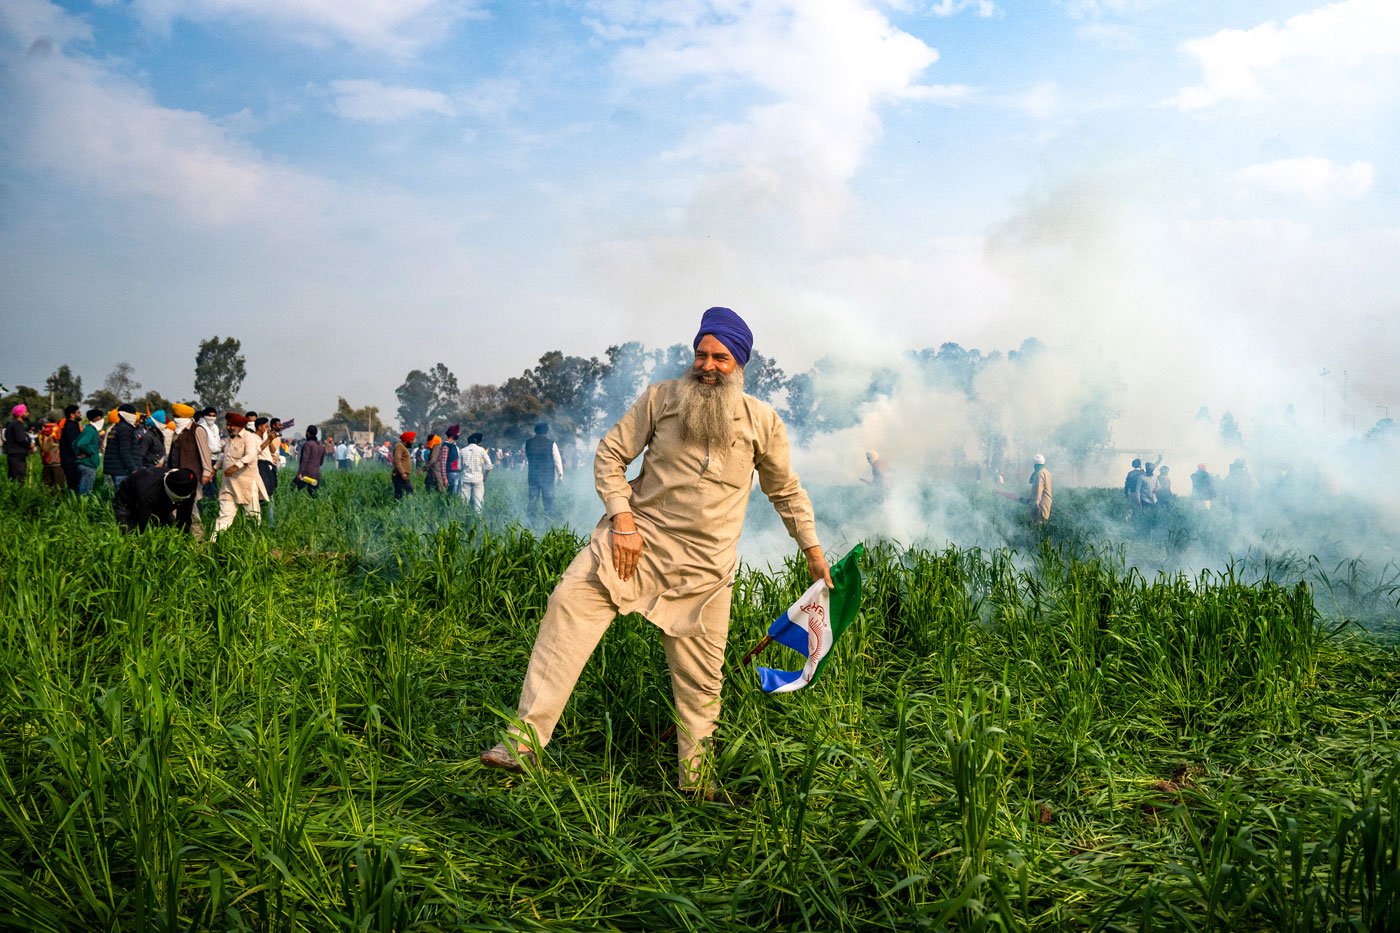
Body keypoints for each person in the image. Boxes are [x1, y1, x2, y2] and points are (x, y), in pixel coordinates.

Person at [480, 307, 829, 796]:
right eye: (701, 354)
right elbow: (610, 455)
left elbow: (785, 490)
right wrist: (622, 519)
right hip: (631, 546)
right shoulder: (661, 398)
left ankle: (697, 781)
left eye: (720, 358)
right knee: (566, 609)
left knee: (702, 683)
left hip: (705, 572)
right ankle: (521, 746)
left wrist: (811, 549)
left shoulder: (762, 422)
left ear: (740, 365)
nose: (707, 366)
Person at [213, 412, 264, 535]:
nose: (228, 427)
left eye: (231, 425)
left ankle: (254, 542)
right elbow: (224, 457)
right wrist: (214, 470)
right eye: (228, 425)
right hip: (229, 485)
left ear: (239, 426)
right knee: (225, 515)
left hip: (246, 483)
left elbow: (251, 455)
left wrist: (236, 466)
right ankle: (213, 542)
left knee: (252, 516)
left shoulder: (249, 437)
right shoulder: (230, 439)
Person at [113, 467, 198, 533]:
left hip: (160, 503)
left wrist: (183, 539)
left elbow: (184, 517)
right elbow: (141, 522)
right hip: (127, 502)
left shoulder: (188, 484)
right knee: (130, 533)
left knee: (171, 531)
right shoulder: (147, 491)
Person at [525, 422, 564, 526]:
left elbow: (528, 458)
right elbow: (557, 461)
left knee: (532, 502)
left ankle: (531, 524)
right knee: (548, 502)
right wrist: (560, 477)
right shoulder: (551, 443)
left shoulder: (528, 443)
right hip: (547, 478)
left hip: (533, 477)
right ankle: (548, 524)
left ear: (535, 431)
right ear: (546, 431)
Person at [102, 403, 140, 492]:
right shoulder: (125, 429)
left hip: (116, 469)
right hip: (122, 470)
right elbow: (124, 452)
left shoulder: (116, 427)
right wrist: (133, 468)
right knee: (123, 497)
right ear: (127, 415)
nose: (135, 416)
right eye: (133, 414)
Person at [460, 432, 493, 513]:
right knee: (478, 503)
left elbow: (458, 467)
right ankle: (478, 521)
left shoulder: (462, 451)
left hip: (465, 478)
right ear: (476, 441)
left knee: (463, 502)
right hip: (478, 478)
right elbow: (489, 465)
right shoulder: (481, 450)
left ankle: (462, 517)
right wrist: (485, 476)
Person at [73, 409, 103, 496]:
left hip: (85, 463)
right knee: (85, 491)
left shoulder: (88, 429)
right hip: (88, 464)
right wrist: (90, 452)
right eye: (100, 417)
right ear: (96, 418)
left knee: (84, 488)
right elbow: (80, 444)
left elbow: (74, 443)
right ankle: (82, 507)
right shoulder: (91, 430)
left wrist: (79, 454)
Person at [294, 425, 328, 495]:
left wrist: (300, 473)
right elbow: (321, 463)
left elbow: (304, 460)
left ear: (308, 433)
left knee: (293, 490)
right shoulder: (321, 446)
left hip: (306, 474)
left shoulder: (308, 444)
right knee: (313, 495)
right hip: (316, 475)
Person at [4, 404, 33, 483]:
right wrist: (29, 445)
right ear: (21, 414)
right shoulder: (17, 424)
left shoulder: (12, 424)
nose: (28, 414)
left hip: (13, 455)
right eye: (26, 412)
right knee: (19, 478)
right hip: (17, 456)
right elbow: (21, 439)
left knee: (13, 478)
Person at [198, 407, 223, 498]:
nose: (211, 418)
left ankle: (212, 500)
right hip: (206, 458)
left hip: (215, 458)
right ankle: (207, 501)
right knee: (207, 483)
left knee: (213, 480)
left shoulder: (215, 427)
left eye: (214, 416)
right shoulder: (200, 427)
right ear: (204, 416)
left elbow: (217, 441)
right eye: (209, 415)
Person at [58, 404, 82, 492]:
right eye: (78, 413)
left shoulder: (71, 425)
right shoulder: (71, 426)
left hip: (69, 459)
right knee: (73, 484)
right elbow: (74, 443)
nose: (80, 414)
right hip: (70, 460)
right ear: (72, 415)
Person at [38, 422, 63, 489]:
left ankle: (45, 498)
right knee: (58, 484)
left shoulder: (42, 432)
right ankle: (57, 498)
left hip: (46, 460)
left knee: (47, 484)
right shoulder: (58, 430)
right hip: (57, 460)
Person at [1028, 454, 1052, 524]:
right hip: (1046, 501)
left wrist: (1037, 502)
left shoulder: (1040, 473)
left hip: (1041, 502)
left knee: (1039, 523)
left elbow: (1039, 488)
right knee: (1044, 521)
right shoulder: (1046, 472)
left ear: (1036, 465)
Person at [392, 432, 415, 500]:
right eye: (411, 440)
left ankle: (398, 508)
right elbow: (397, 460)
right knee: (410, 492)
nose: (413, 442)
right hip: (400, 475)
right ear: (406, 440)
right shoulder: (399, 447)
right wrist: (402, 472)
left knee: (400, 494)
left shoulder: (402, 447)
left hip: (402, 475)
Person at [443, 425, 463, 496]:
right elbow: (443, 462)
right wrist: (444, 478)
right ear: (453, 434)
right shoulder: (446, 446)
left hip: (457, 472)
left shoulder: (454, 445)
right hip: (450, 473)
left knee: (457, 494)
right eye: (457, 433)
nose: (459, 434)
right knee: (452, 494)